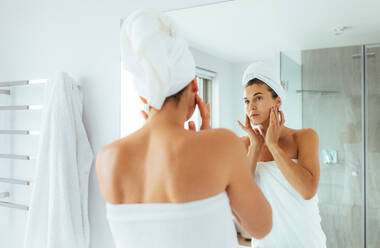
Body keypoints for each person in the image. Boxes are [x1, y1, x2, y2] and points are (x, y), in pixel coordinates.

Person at [96, 9, 272, 248]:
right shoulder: (222, 144)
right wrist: (208, 144)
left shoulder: (108, 158)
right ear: (194, 87)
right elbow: (261, 227)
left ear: (144, 98)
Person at [237, 61, 326, 247]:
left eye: (258, 98)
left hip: (305, 240)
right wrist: (255, 146)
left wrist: (273, 145)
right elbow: (239, 197)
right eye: (247, 101)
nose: (251, 107)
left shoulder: (304, 137)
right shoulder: (244, 144)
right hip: (266, 242)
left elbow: (307, 191)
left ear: (277, 102)